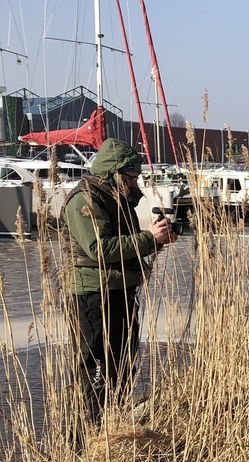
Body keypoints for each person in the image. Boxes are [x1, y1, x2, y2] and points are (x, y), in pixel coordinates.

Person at [63, 138, 177, 445]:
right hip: (92, 296)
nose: (135, 182)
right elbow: (100, 248)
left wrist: (159, 236)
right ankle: (79, 443)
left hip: (121, 293)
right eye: (131, 177)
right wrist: (148, 238)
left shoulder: (117, 196)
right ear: (114, 173)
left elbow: (127, 243)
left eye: (137, 176)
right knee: (95, 371)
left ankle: (107, 432)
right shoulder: (83, 200)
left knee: (124, 364)